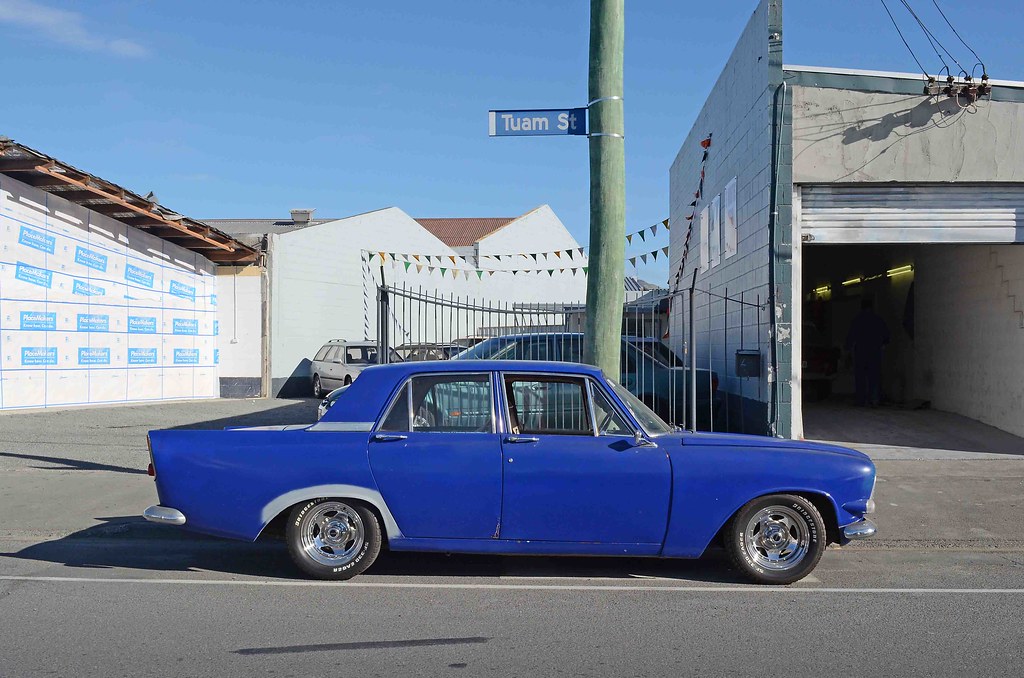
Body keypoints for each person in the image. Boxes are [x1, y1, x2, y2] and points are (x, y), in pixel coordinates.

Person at [845, 295, 890, 406]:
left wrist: (847, 349)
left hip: (860, 352)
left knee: (860, 377)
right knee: (874, 376)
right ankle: (874, 400)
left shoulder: (857, 320)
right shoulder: (878, 320)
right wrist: (883, 345)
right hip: (875, 352)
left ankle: (861, 400)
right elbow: (886, 336)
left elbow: (851, 336)